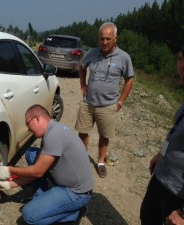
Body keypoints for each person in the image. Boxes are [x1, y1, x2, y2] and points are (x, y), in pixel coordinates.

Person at [0, 104, 95, 225]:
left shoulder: (54, 135)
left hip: (76, 193)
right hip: (70, 180)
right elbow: (36, 172)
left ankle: (75, 212)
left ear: (37, 118)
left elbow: (37, 172)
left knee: (29, 215)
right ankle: (41, 198)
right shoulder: (53, 129)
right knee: (31, 154)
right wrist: (9, 184)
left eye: (28, 124)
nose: (28, 129)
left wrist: (10, 170)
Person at [75, 22, 135, 178]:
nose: (105, 42)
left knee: (104, 135)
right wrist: (83, 85)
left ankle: (101, 162)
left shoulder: (124, 57)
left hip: (108, 106)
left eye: (108, 38)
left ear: (116, 38)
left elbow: (129, 79)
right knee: (83, 132)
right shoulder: (93, 53)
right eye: (102, 39)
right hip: (88, 103)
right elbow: (81, 68)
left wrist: (120, 102)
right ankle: (81, 159)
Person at [140, 47, 184, 225]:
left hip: (177, 193)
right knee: (147, 217)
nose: (181, 83)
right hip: (162, 176)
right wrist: (161, 154)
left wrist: (183, 213)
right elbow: (175, 132)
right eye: (180, 76)